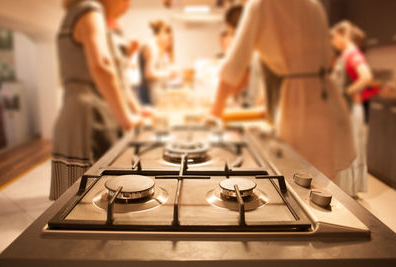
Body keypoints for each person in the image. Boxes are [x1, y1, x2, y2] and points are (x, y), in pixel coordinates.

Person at [210, 0, 355, 180]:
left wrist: (214, 114)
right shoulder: (313, 6)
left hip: (299, 105)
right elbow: (328, 58)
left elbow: (233, 67)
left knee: (297, 180)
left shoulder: (261, 6)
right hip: (327, 102)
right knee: (323, 185)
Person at [51, 0, 143, 200]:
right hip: (90, 116)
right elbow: (102, 66)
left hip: (77, 112)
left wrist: (134, 110)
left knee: (76, 200)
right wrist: (126, 118)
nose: (128, 3)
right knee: (91, 198)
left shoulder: (79, 12)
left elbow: (116, 75)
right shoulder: (90, 11)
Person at [331, 20, 372, 197]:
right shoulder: (345, 55)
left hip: (350, 109)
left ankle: (348, 189)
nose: (333, 41)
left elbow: (366, 76)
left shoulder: (353, 54)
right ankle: (345, 188)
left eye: (334, 37)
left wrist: (347, 91)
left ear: (344, 35)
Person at [137, 20, 177, 105]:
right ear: (159, 34)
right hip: (148, 93)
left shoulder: (159, 49)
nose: (169, 39)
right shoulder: (151, 47)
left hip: (156, 92)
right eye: (166, 34)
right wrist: (168, 74)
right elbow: (149, 74)